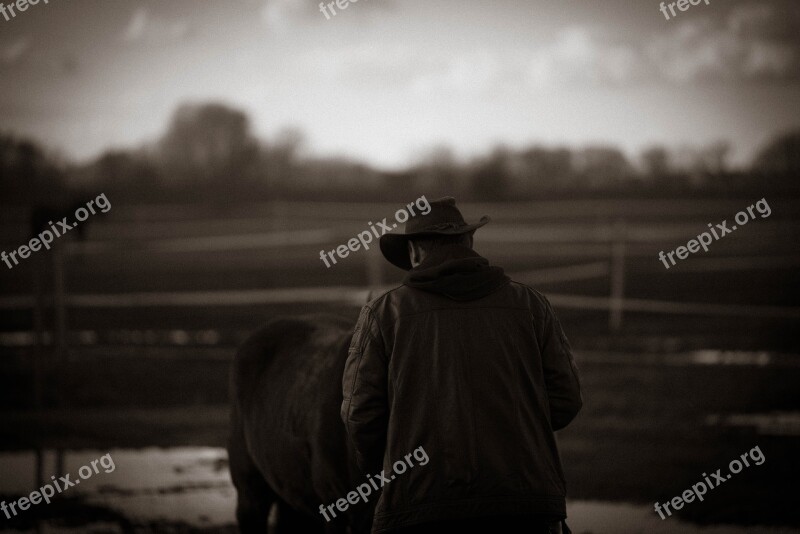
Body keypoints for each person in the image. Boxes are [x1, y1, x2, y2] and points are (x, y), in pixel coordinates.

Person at [341, 197, 582, 534]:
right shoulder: (531, 304)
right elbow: (566, 399)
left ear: (414, 252)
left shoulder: (381, 314)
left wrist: (393, 467)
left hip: (420, 508)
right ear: (469, 242)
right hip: (528, 505)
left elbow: (360, 416)